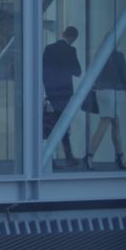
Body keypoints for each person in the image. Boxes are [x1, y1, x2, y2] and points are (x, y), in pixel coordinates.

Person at [85, 49, 126, 170]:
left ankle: (120, 157)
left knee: (115, 123)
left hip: (101, 91)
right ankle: (89, 156)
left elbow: (92, 73)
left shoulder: (99, 53)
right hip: (113, 92)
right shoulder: (118, 55)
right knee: (104, 123)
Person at [43, 26, 82, 166]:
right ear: (73, 38)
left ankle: (50, 158)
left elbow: (43, 71)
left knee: (49, 125)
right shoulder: (71, 51)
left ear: (62, 34)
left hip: (50, 92)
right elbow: (78, 72)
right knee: (63, 125)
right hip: (65, 93)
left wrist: (47, 90)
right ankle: (68, 157)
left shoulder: (49, 48)